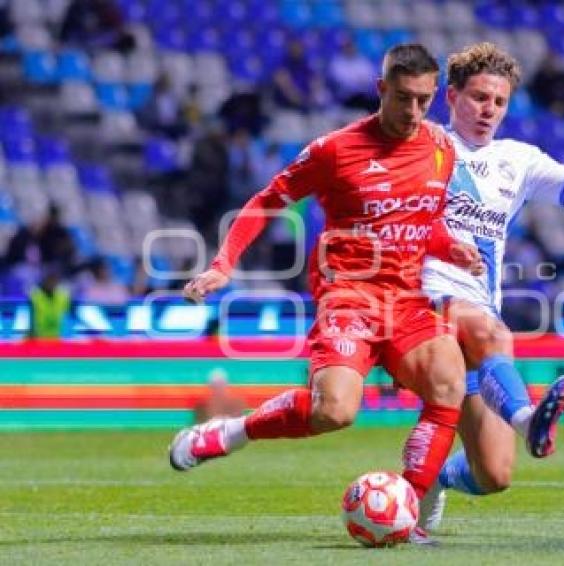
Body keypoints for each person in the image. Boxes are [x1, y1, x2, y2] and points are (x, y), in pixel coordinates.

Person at [168, 44, 483, 544]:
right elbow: (266, 201)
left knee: (449, 384)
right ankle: (230, 432)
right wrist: (223, 264)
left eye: (425, 100)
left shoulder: (442, 149)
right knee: (333, 411)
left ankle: (411, 508)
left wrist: (452, 249)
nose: (415, 112)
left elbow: (421, 225)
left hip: (406, 300)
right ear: (381, 90)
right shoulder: (335, 150)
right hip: (350, 297)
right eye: (404, 98)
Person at [416, 43, 564, 532]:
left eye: (498, 101)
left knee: (493, 474)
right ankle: (527, 418)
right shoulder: (423, 144)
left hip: (475, 310)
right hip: (423, 301)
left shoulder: (518, 160)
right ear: (451, 97)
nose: (487, 109)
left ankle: (430, 478)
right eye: (477, 98)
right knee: (497, 336)